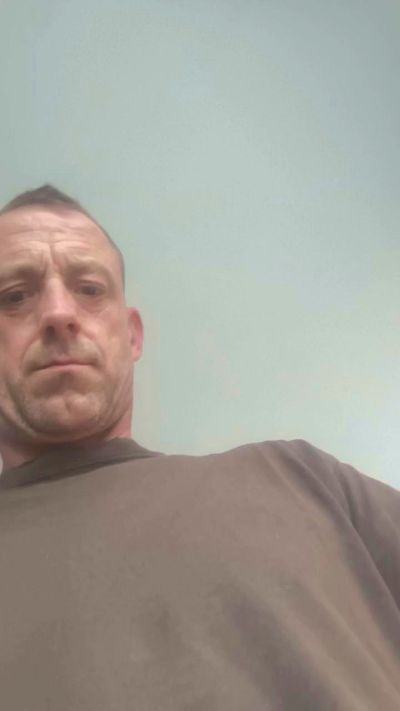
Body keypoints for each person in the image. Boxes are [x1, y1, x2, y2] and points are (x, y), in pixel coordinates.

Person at [0, 185, 398, 711]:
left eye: (90, 289)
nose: (58, 312)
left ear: (132, 336)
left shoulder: (300, 477)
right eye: (14, 296)